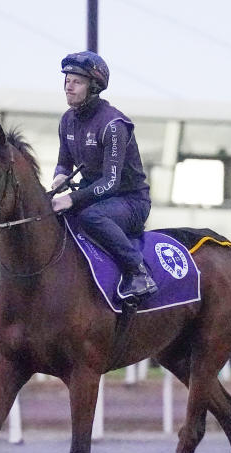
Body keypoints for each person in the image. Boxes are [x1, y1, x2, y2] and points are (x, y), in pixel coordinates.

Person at [50, 51, 157, 300]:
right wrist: (58, 180)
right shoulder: (67, 120)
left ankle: (138, 272)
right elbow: (63, 164)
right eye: (67, 80)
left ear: (94, 87)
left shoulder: (113, 125)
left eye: (77, 82)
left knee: (90, 217)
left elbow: (111, 182)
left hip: (131, 201)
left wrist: (71, 200)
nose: (69, 86)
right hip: (94, 196)